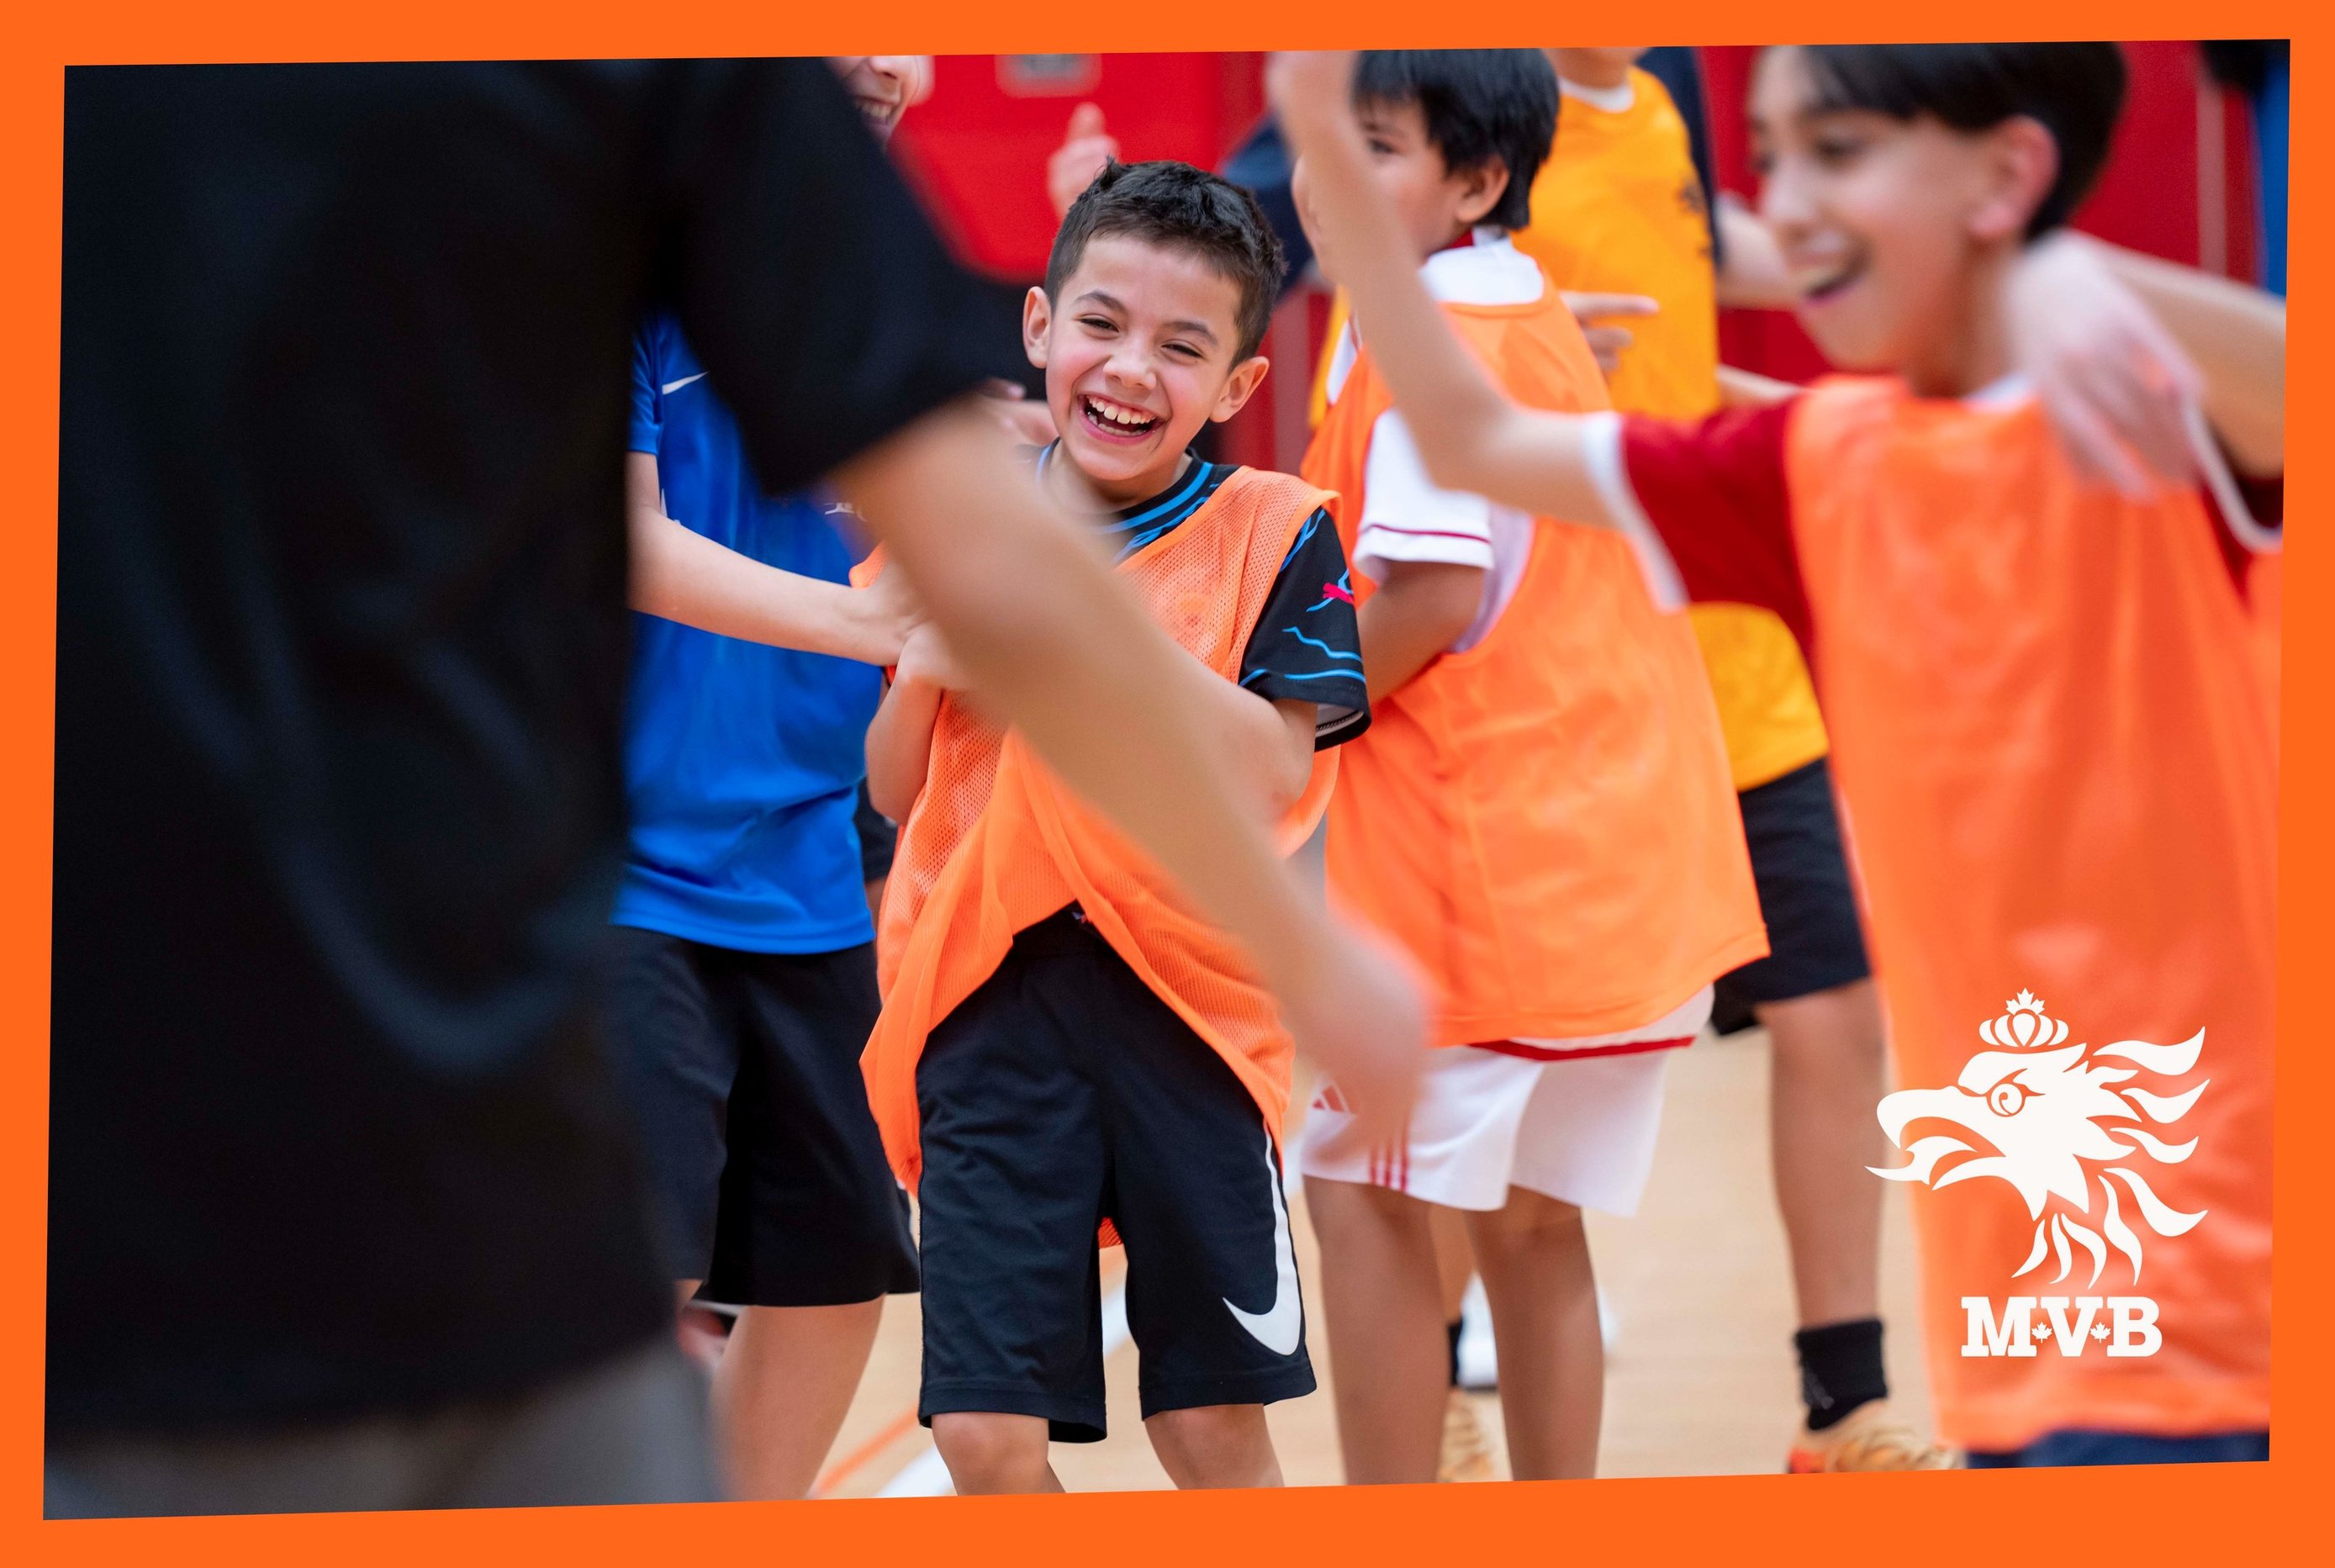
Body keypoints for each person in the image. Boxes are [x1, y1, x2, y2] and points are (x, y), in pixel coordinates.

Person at [50, 58, 1425, 1517]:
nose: (896, 66)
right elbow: (906, 588)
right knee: (780, 1350)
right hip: (540, 939)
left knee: (847, 1289)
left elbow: (1007, 594)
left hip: (788, 910)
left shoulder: (727, 157)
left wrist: (1292, 947)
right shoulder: (630, 152)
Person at [1272, 41, 2281, 1467]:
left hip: (2251, 1257)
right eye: (1773, 155)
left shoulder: (2158, 418)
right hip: (2040, 1288)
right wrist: (1327, 148)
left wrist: (2075, 278)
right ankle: (1846, 1402)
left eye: (1842, 151)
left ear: (2012, 174)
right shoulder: (1817, 459)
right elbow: (1473, 436)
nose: (1790, 203)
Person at [1287, 50, 1766, 1485]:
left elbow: (1427, 595)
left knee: (1357, 1198)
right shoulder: (1518, 301)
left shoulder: (1439, 329)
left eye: (1371, 148)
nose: (1323, 178)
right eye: (1317, 142)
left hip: (1482, 879)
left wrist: (1272, 725)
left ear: (1479, 182)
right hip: (1615, 867)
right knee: (1533, 1223)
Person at [860, 161, 1369, 1495]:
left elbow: (1272, 767)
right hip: (980, 1001)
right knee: (979, 1428)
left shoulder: (1282, 533)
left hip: (1191, 1014)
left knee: (1206, 1426)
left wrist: (1084, 614)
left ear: (1238, 388)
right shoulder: (962, 520)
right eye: (1101, 324)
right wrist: (924, 670)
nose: (1130, 368)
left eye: (1181, 345)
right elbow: (896, 792)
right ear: (1039, 327)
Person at [1513, 44, 1948, 1472]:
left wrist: (1811, 314)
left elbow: (1694, 264)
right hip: (1572, 657)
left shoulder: (1670, 90)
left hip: (1739, 658)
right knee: (1518, 1072)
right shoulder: (1464, 87)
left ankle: (1848, 1407)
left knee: (1837, 1018)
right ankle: (1454, 1388)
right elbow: (1381, 321)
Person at [609, 54, 941, 1500]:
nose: (885, 58)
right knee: (638, 1278)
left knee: (827, 1274)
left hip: (808, 870)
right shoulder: (616, 258)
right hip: (609, 872)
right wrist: (861, 619)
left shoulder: (878, 288)